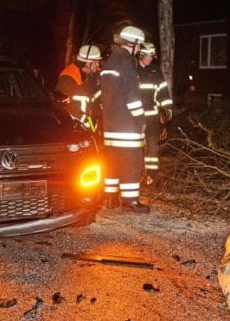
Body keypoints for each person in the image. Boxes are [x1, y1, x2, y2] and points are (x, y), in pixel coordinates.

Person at [100, 25, 149, 212]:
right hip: (127, 125)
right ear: (133, 43)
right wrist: (140, 120)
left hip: (110, 124)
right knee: (131, 162)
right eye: (139, 45)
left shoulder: (110, 62)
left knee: (112, 161)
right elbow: (132, 96)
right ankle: (130, 202)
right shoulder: (126, 63)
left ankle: (110, 198)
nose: (139, 49)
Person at [136, 42, 173, 186]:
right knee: (137, 150)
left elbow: (163, 94)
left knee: (153, 149)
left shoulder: (155, 72)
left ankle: (151, 177)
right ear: (141, 55)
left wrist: (167, 113)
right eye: (149, 56)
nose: (151, 58)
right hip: (135, 119)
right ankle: (137, 175)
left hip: (152, 120)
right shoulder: (132, 71)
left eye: (152, 56)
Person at [55, 44, 102, 131]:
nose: (98, 65)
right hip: (75, 132)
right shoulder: (67, 80)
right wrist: (90, 126)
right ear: (87, 63)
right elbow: (69, 110)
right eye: (96, 61)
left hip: (88, 129)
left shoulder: (89, 77)